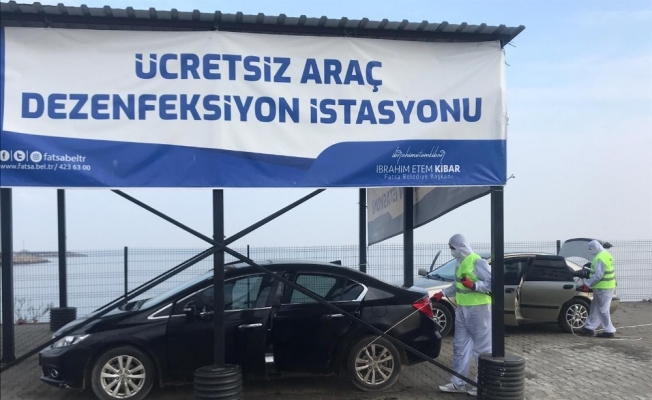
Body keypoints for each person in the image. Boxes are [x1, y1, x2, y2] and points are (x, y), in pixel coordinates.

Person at [432, 234, 492, 397]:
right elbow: (457, 285)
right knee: (460, 347)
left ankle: (482, 384)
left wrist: (474, 285)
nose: (451, 250)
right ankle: (458, 383)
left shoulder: (478, 261)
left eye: (452, 248)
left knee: (482, 349)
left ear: (460, 247)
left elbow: (492, 283)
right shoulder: (459, 262)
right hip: (462, 309)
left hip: (479, 309)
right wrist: (442, 293)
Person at [577, 240, 617, 338]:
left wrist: (587, 284)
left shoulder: (600, 257)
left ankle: (609, 331)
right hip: (604, 286)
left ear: (595, 248)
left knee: (603, 309)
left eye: (590, 249)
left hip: (604, 287)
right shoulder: (605, 254)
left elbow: (598, 275)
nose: (590, 251)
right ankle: (589, 328)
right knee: (594, 307)